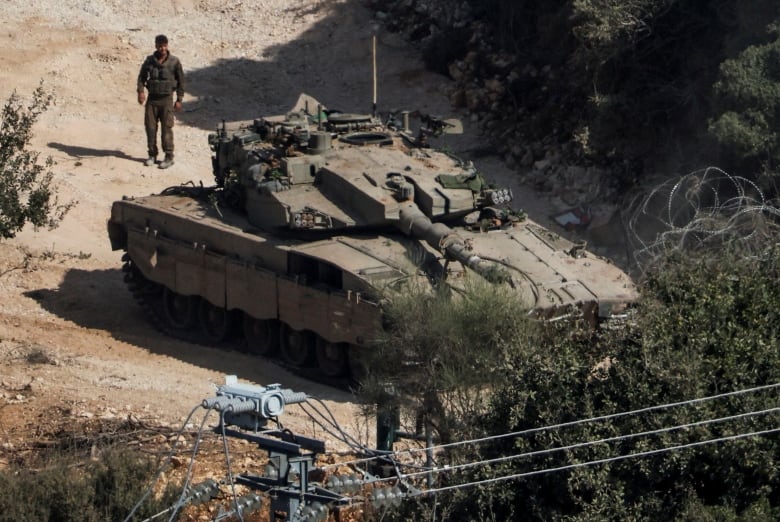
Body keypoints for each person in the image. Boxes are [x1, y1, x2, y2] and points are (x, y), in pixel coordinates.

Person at [137, 34, 184, 169]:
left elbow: (181, 81)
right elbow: (141, 77)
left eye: (164, 45)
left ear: (167, 45)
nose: (162, 48)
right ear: (156, 46)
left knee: (166, 130)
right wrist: (140, 92)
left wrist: (179, 99)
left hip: (167, 100)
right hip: (152, 100)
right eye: (160, 46)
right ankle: (152, 155)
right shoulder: (150, 61)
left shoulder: (174, 62)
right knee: (150, 128)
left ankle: (169, 157)